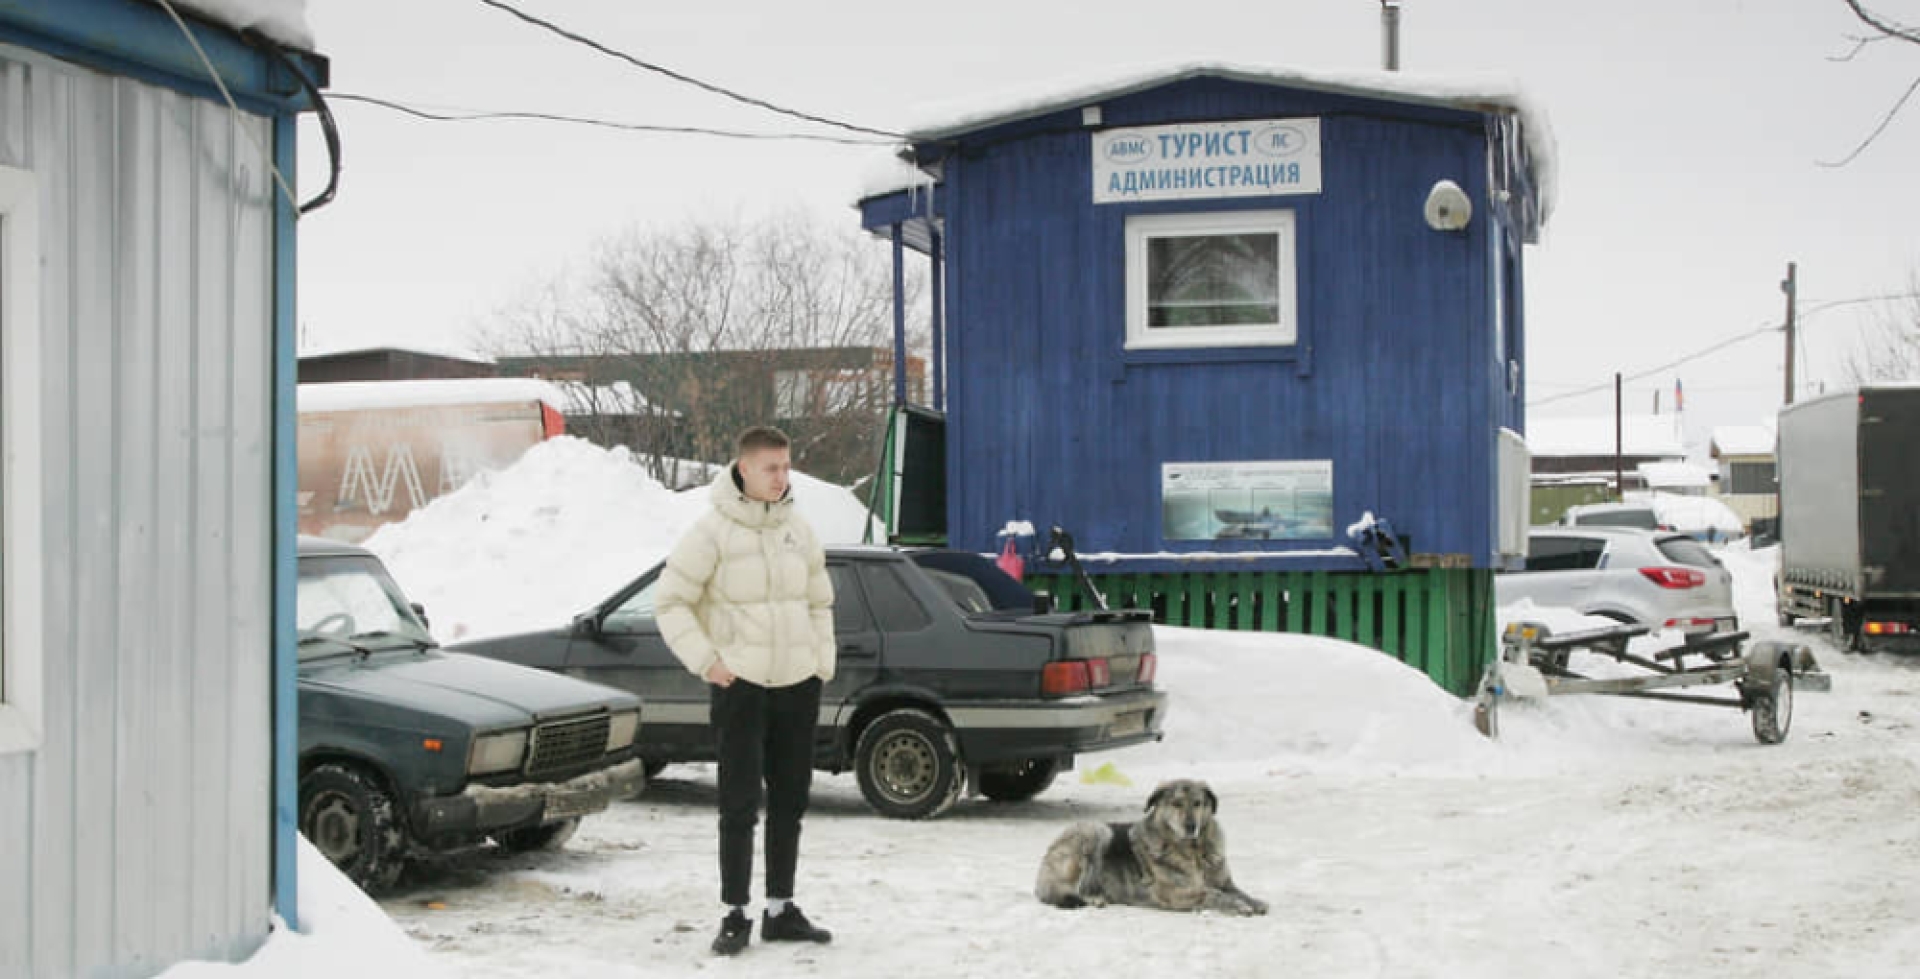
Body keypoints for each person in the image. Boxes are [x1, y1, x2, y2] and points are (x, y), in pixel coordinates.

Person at [655, 426, 836, 957]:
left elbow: (820, 603)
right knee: (738, 805)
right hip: (741, 688)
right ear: (744, 468)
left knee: (791, 801)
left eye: (787, 467)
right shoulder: (710, 532)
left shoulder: (799, 530)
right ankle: (735, 913)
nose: (783, 477)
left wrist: (819, 663)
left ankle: (780, 909)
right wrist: (708, 661)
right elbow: (670, 603)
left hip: (796, 686)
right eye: (772, 468)